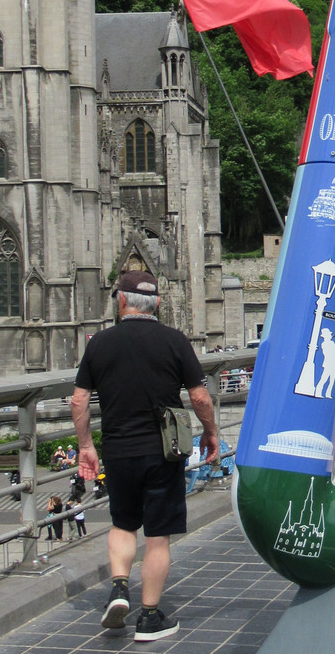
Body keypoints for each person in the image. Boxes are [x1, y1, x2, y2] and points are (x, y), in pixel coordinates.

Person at [72, 269, 218, 643]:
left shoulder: (99, 344)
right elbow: (200, 397)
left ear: (121, 301)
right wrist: (211, 432)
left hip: (119, 450)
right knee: (157, 536)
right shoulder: (174, 340)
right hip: (163, 451)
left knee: (123, 524)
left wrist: (86, 445)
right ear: (157, 304)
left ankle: (120, 588)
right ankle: (150, 618)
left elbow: (79, 400)